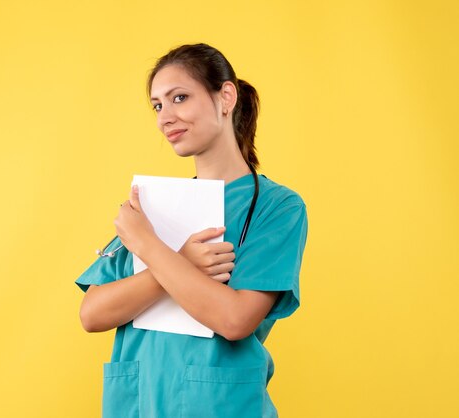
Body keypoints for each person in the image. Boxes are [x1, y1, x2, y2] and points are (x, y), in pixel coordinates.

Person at [75, 43, 308, 418]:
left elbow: (235, 320)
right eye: (157, 105)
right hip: (140, 404)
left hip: (223, 408)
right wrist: (179, 261)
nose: (165, 117)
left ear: (226, 96)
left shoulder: (277, 207)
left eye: (179, 97)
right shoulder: (154, 206)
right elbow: (93, 314)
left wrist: (150, 246)